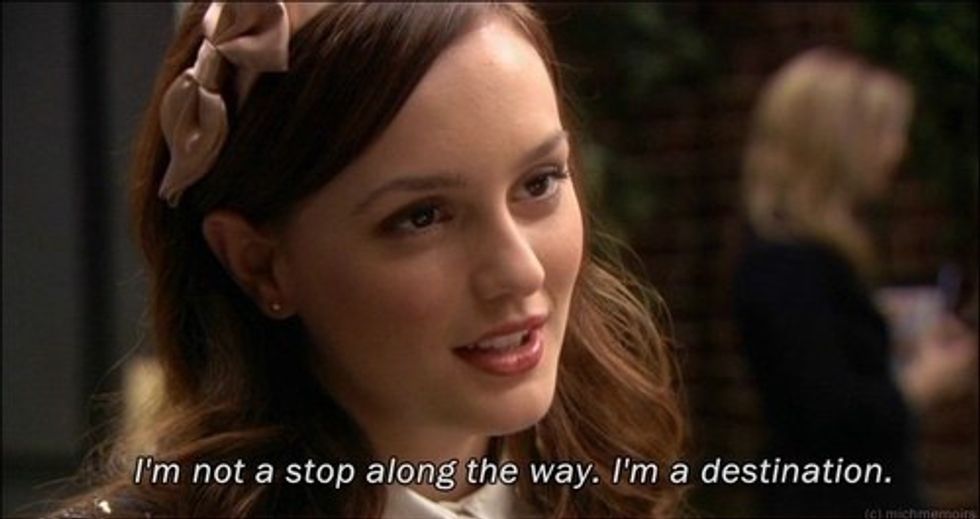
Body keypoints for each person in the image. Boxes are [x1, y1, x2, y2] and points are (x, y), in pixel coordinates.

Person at [53, 3, 686, 517]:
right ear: (259, 264)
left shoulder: (618, 492)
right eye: (422, 217)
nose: (521, 271)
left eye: (540, 182)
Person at [733, 47, 974, 517]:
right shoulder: (787, 266)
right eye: (886, 132)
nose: (898, 150)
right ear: (837, 142)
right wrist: (924, 381)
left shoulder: (811, 257)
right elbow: (832, 417)